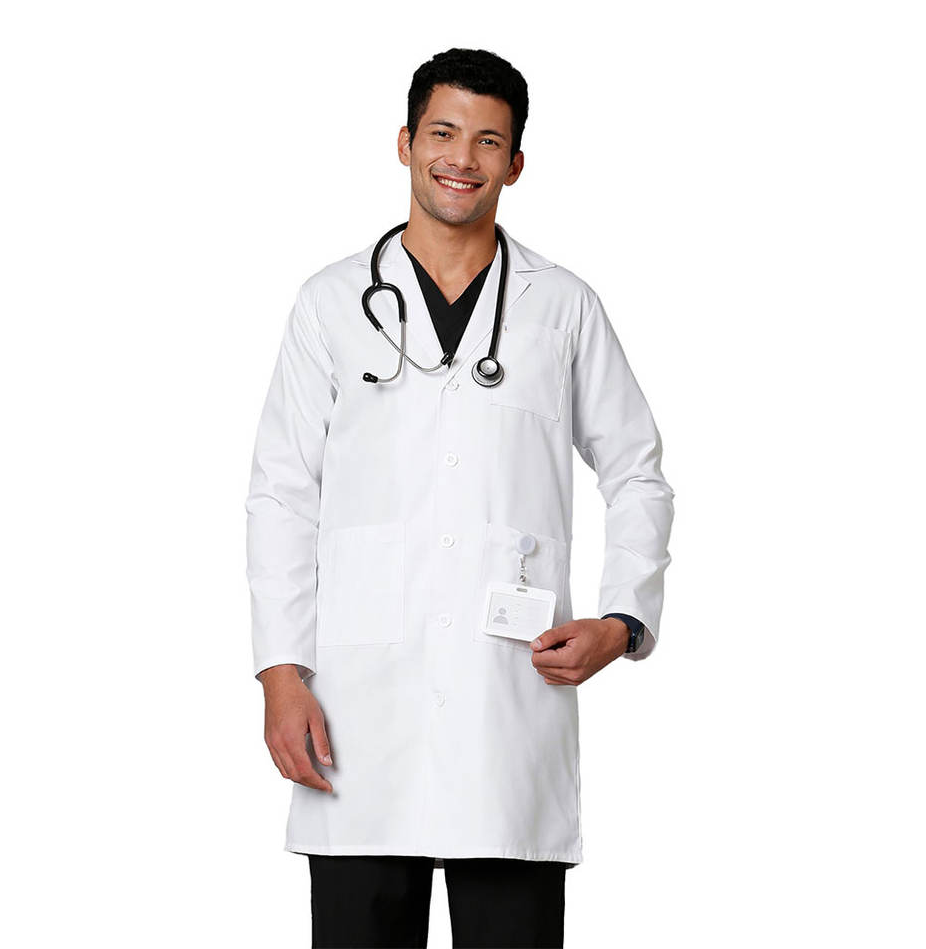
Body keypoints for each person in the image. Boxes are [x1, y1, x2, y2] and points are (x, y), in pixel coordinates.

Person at [245, 47, 675, 948]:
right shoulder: (331, 304)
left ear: (515, 164)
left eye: (488, 141)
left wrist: (622, 621)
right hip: (359, 711)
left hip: (505, 703)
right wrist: (282, 676)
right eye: (443, 133)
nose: (462, 159)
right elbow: (281, 495)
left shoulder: (563, 307)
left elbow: (635, 468)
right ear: (405, 143)